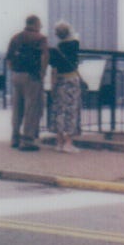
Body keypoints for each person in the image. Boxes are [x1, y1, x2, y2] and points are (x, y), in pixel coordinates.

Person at [5, 15, 49, 151]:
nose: (41, 27)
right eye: (40, 24)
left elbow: (8, 58)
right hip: (31, 76)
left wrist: (14, 71)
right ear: (35, 24)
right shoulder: (40, 38)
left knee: (17, 107)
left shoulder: (16, 37)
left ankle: (15, 138)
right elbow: (45, 56)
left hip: (16, 75)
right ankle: (28, 140)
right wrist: (42, 73)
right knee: (32, 108)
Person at [48, 21, 82, 152]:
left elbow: (54, 70)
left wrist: (53, 86)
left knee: (59, 110)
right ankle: (68, 143)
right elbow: (76, 37)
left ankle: (59, 142)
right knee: (71, 110)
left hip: (60, 81)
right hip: (72, 80)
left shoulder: (56, 50)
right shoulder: (74, 44)